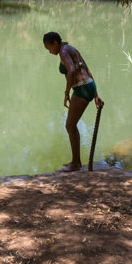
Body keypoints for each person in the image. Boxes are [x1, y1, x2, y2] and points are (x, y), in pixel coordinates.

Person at [43, 31, 104, 172]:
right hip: (89, 85)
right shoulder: (71, 49)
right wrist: (95, 94)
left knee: (70, 125)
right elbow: (87, 70)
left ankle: (76, 163)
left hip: (81, 88)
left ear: (55, 43)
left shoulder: (63, 52)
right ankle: (76, 161)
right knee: (72, 125)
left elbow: (70, 70)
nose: (50, 52)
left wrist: (66, 93)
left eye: (49, 48)